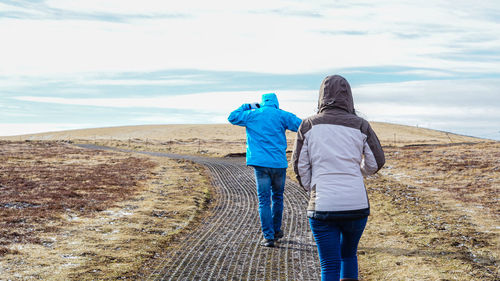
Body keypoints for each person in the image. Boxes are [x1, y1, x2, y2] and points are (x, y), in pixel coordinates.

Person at [292, 75, 385, 280]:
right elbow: (376, 162)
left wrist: (312, 187)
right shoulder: (361, 125)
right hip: (356, 204)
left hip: (323, 204)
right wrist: (357, 172)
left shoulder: (308, 125)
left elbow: (299, 166)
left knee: (329, 264)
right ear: (349, 97)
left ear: (321, 97)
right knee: (349, 255)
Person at [228, 93, 302, 247]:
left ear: (262, 103)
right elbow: (300, 126)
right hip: (278, 164)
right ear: (276, 103)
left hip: (260, 164)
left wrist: (247, 106)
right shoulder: (282, 115)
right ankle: (276, 231)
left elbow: (232, 117)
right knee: (278, 198)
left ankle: (268, 237)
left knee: (264, 201)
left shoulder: (252, 115)